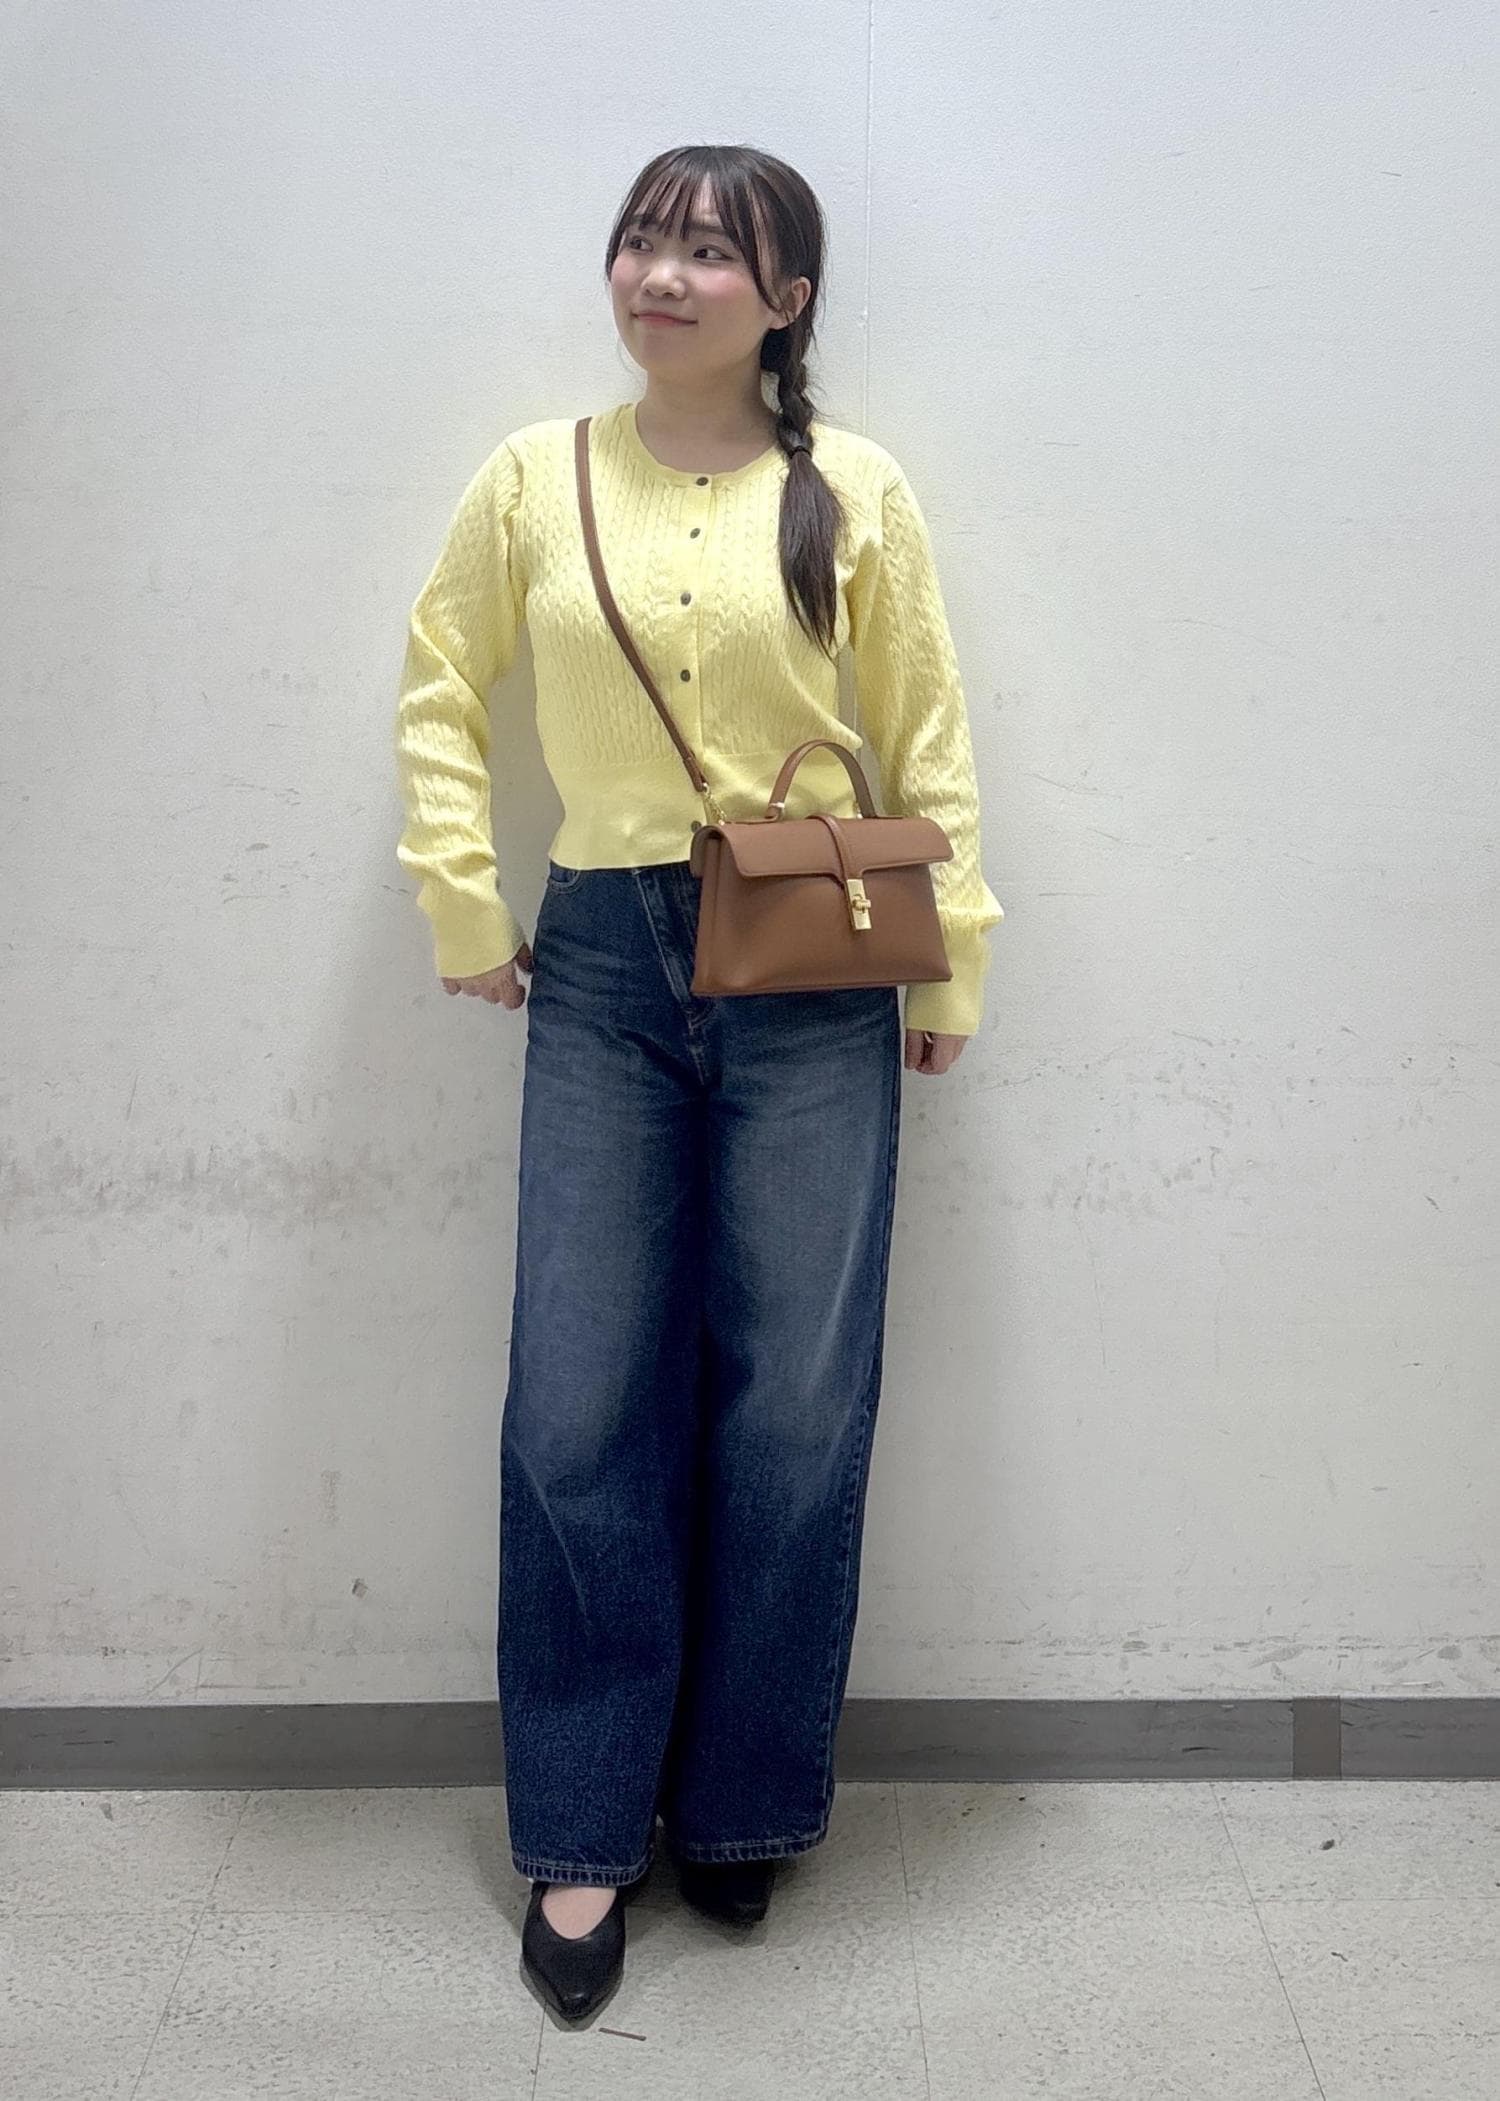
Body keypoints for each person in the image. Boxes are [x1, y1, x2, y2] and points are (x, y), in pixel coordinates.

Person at [393, 143, 1005, 2024]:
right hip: (599, 956)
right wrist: (464, 898)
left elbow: (923, 728)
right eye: (643, 241)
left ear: (786, 301)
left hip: (816, 961)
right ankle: (583, 1827)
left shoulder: (854, 489)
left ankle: (745, 1796)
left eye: (710, 254)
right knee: (579, 1393)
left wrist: (953, 951)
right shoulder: (535, 475)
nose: (662, 277)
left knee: (793, 1403)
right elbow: (440, 686)